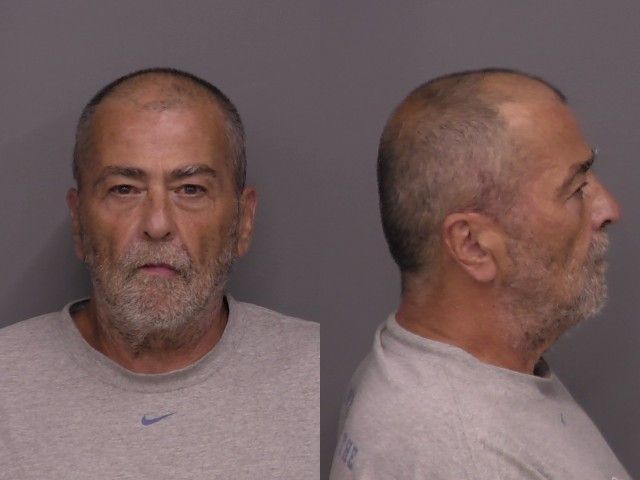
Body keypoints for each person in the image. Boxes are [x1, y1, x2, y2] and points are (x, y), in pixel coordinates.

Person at [0, 68, 319, 479]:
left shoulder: (315, 372)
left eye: (191, 190)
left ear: (244, 221)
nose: (157, 224)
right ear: (78, 222)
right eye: (124, 189)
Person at [330, 69, 630, 479]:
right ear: (472, 244)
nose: (609, 208)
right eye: (576, 189)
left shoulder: (421, 370)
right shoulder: (464, 455)